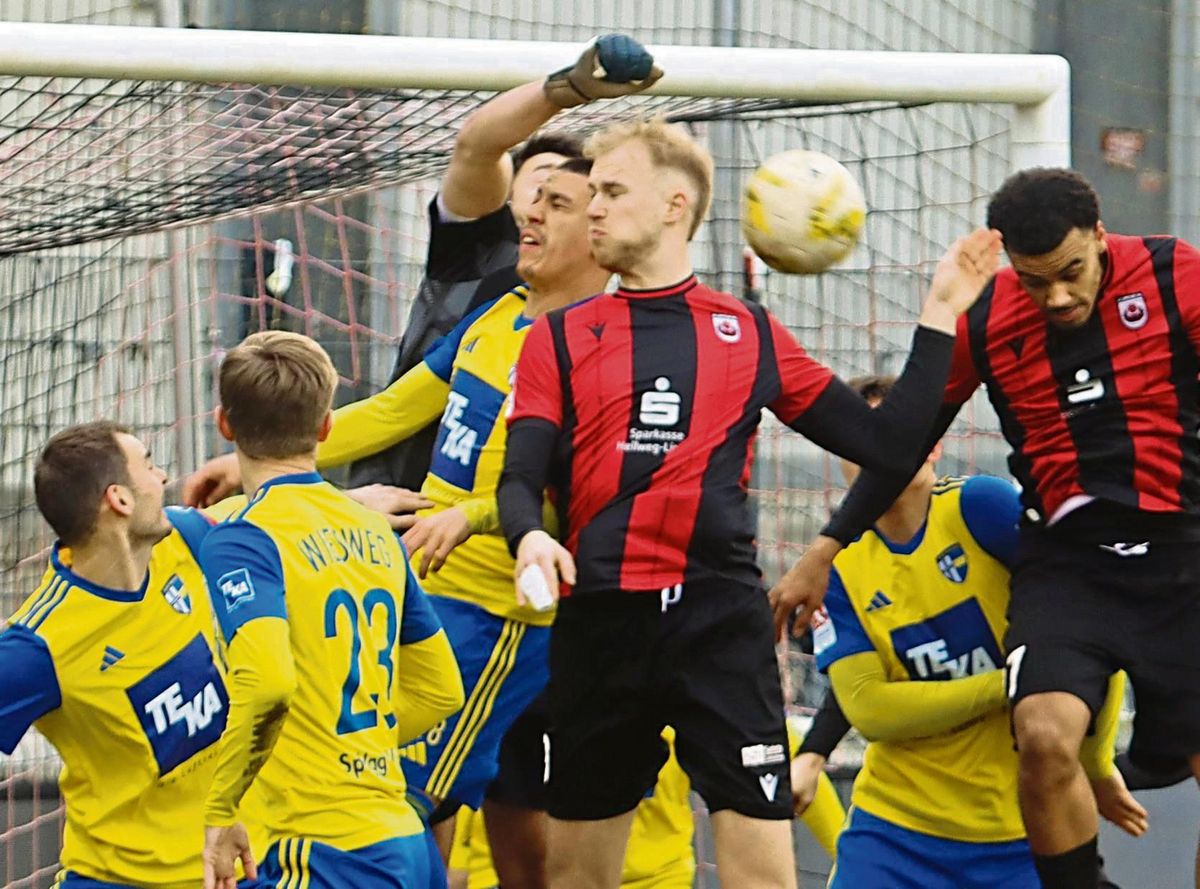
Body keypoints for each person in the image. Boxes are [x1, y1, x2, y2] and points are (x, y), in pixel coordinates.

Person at [182, 38, 660, 886]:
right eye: (531, 198)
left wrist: (470, 515)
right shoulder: (496, 316)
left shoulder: (605, 347)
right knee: (413, 802)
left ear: (597, 231)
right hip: (423, 588)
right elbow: (394, 409)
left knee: (407, 799)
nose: (530, 214)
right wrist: (260, 452)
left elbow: (585, 509)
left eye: (554, 201)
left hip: (500, 613)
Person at [497, 117, 1001, 889]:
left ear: (674, 205)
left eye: (611, 190)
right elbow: (518, 477)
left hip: (720, 624)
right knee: (577, 880)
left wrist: (939, 311)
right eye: (591, 192)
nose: (591, 207)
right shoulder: (557, 337)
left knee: (765, 877)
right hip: (601, 622)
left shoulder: (746, 331)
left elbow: (888, 445)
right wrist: (530, 536)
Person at [774, 167, 1200, 889]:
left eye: (1072, 272)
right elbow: (900, 438)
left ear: (1100, 235)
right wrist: (826, 545)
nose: (1057, 296)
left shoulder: (1173, 275)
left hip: (1184, 552)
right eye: (1036, 281)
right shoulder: (990, 316)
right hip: (1070, 563)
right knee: (1041, 732)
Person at [812, 373, 1144, 888]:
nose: (895, 449)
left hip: (1024, 834)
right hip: (895, 834)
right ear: (843, 454)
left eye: (909, 431)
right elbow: (868, 707)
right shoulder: (837, 565)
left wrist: (1094, 763)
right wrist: (1011, 684)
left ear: (937, 444)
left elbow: (1092, 627)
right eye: (872, 435)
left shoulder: (980, 507)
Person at [196, 331, 464, 889]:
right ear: (325, 427)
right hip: (403, 841)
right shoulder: (372, 527)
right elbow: (442, 690)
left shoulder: (244, 539)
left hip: (319, 848)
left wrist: (221, 810)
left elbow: (267, 682)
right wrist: (349, 747)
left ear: (224, 425)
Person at [0, 421, 227, 888]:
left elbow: (269, 521)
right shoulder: (40, 646)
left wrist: (355, 505)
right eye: (148, 463)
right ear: (118, 499)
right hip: (118, 881)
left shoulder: (184, 537)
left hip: (225, 867)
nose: (163, 476)